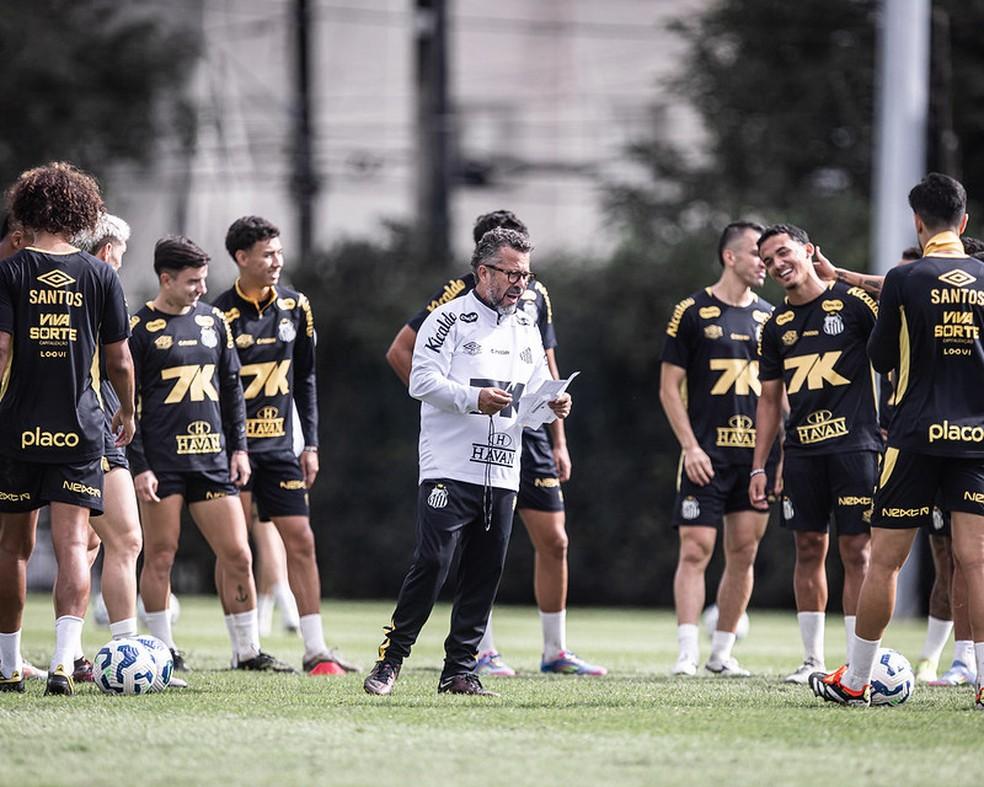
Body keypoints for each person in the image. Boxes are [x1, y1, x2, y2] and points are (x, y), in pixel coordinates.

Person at [385, 209, 604, 677]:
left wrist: (553, 410)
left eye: (526, 274)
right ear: (482, 270)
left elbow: (537, 393)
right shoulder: (448, 315)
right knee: (434, 562)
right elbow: (419, 378)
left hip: (504, 463)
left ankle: (463, 670)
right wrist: (468, 401)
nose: (520, 283)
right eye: (511, 273)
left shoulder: (526, 321)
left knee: (489, 568)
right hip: (451, 462)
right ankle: (391, 661)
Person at [810, 173, 984, 711]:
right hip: (978, 439)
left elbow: (881, 358)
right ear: (964, 221)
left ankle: (857, 680)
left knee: (884, 561)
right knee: (977, 562)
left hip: (913, 437)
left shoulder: (906, 279)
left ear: (917, 221)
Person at [0, 162, 135, 695]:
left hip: (17, 428)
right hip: (80, 427)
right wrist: (126, 410)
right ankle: (62, 662)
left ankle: (8, 665)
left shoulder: (10, 272)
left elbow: (2, 349)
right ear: (81, 213)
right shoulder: (100, 275)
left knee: (12, 548)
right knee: (74, 544)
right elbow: (120, 360)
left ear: (26, 210)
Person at [129, 235, 290, 673]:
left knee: (238, 553)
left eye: (202, 280)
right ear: (165, 279)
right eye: (192, 281)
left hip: (213, 460)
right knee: (161, 554)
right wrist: (139, 465)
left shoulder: (214, 321)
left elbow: (233, 391)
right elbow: (126, 406)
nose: (201, 288)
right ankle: (162, 649)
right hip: (163, 465)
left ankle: (247, 651)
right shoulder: (139, 329)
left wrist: (239, 449)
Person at [213, 215, 357, 675]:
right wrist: (228, 446)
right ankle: (246, 648)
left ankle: (316, 649)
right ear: (241, 258)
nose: (277, 262)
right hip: (233, 450)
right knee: (235, 548)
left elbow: (307, 378)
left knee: (302, 540)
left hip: (280, 448)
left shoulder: (297, 306)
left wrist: (310, 443)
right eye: (267, 254)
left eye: (279, 253)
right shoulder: (218, 315)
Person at [750, 223, 880, 683]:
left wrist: (843, 274)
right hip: (803, 452)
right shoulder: (775, 326)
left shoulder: (853, 303)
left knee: (858, 551)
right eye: (767, 261)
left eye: (783, 252)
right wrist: (758, 466)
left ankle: (856, 665)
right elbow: (768, 401)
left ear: (807, 251)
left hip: (857, 447)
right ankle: (812, 661)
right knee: (808, 548)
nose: (777, 264)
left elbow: (906, 296)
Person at [659, 221, 778, 677]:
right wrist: (690, 447)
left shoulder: (771, 316)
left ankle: (721, 655)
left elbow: (779, 394)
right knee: (695, 549)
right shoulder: (691, 311)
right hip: (705, 456)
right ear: (730, 257)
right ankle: (687, 652)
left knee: (744, 552)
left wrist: (773, 460)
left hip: (754, 461)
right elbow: (669, 388)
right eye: (756, 254)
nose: (763, 264)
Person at [61, 213, 144, 682]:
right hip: (96, 426)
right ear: (107, 251)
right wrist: (128, 410)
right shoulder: (99, 287)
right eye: (121, 255)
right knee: (127, 539)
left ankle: (70, 655)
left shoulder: (62, 291)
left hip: (72, 423)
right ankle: (126, 659)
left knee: (88, 542)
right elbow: (119, 362)